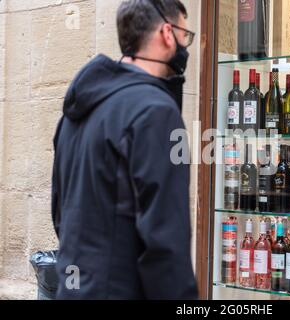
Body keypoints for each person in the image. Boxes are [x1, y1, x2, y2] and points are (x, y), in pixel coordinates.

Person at [51, 0, 198, 300]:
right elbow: (166, 244)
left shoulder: (76, 112)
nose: (186, 45)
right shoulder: (156, 112)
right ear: (167, 34)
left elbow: (60, 211)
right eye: (186, 35)